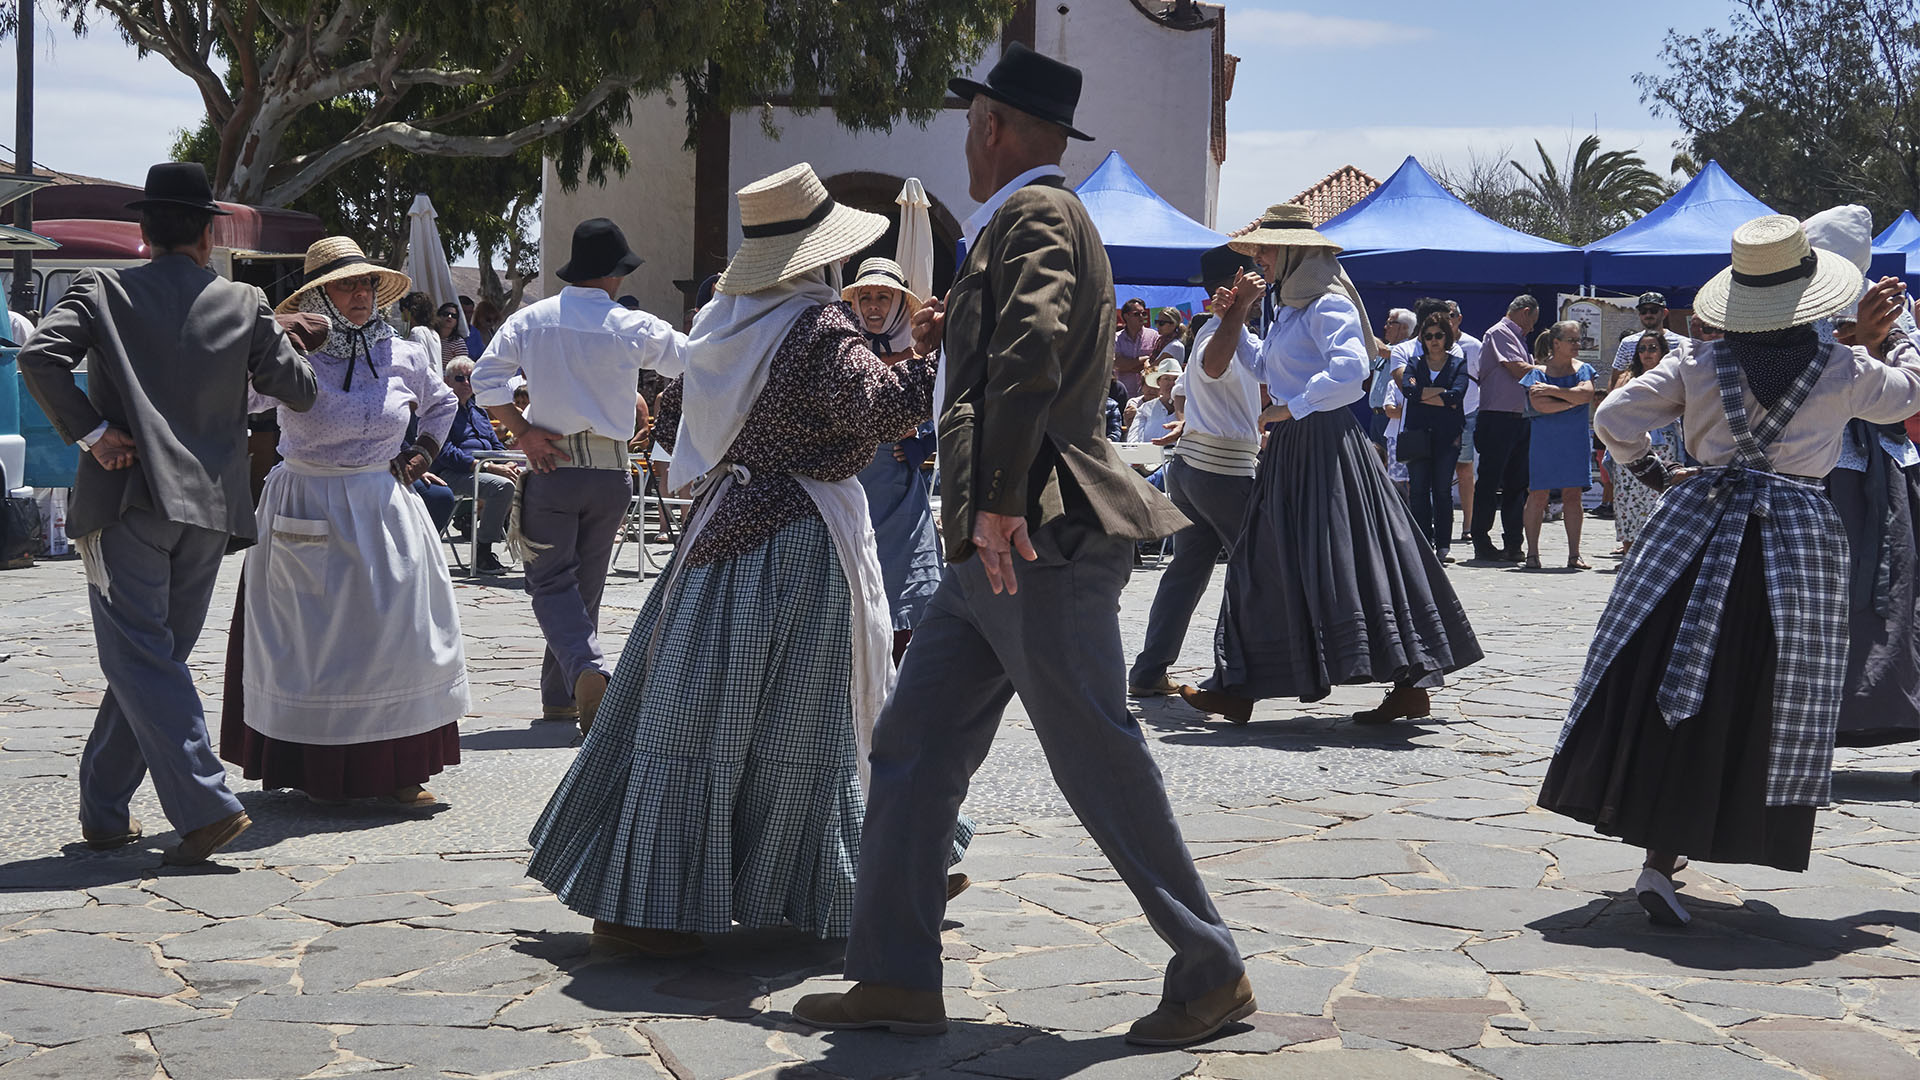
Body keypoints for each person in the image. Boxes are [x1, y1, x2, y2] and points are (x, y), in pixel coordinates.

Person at [793, 44, 1252, 1047]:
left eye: (970, 122)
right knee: (912, 748)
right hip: (992, 545)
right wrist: (948, 334)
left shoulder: (1039, 215)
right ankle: (895, 975)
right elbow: (1005, 347)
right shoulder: (1024, 222)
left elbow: (1034, 345)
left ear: (995, 126)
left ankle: (1210, 967)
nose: (965, 138)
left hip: (1028, 535)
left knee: (1098, 754)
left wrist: (998, 497)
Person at [526, 163, 956, 957]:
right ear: (819, 255)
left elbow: (689, 411)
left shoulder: (722, 320)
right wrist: (938, 353)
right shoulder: (821, 326)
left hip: (719, 530)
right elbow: (882, 408)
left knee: (690, 711)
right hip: (798, 536)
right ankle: (831, 873)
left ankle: (647, 895)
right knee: (809, 717)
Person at [1538, 215, 1920, 927]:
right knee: (1760, 690)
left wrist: (1654, 472)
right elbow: (1911, 394)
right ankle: (1720, 828)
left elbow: (1615, 417)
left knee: (1675, 676)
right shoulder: (1844, 368)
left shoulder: (1697, 362)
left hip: (1696, 531)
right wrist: (1896, 334)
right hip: (1792, 544)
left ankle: (1658, 856)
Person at [18, 162, 317, 864]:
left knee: (143, 660)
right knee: (154, 660)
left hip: (127, 498)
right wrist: (286, 329)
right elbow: (296, 391)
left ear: (143, 230)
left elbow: (39, 356)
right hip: (210, 508)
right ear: (210, 232)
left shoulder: (102, 287)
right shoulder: (245, 303)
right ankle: (103, 810)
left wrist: (92, 432)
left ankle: (204, 805)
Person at [1174, 205, 1481, 730]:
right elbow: (1264, 367)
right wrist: (1235, 319)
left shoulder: (1325, 305)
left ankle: (1407, 679)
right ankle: (1238, 685)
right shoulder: (1289, 309)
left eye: (1267, 250)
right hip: (1296, 446)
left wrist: (1290, 409)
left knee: (1351, 556)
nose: (1261, 260)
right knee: (1268, 558)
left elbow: (1352, 371)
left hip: (1325, 445)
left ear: (1294, 251)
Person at [221, 237, 467, 807]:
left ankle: (400, 769)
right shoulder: (292, 357)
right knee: (312, 640)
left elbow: (442, 403)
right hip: (306, 500)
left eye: (366, 284)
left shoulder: (403, 353)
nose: (359, 294)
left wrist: (423, 453)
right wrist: (267, 342)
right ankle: (312, 767)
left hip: (383, 503)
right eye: (345, 285)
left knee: (397, 634)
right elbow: (238, 400)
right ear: (320, 296)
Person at [472, 219, 686, 731]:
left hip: (553, 463)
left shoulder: (533, 319)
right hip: (611, 471)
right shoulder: (633, 325)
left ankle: (582, 673)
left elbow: (484, 381)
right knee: (584, 586)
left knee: (550, 582)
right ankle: (562, 694)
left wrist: (522, 432)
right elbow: (689, 362)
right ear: (615, 274)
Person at [1804, 203, 1920, 749]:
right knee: (1823, 596)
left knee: (1896, 590)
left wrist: (1877, 339)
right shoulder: (1796, 307)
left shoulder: (1893, 309)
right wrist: (1865, 340)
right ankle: (1806, 721)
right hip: (1821, 469)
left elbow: (1903, 395)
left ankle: (1888, 708)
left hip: (1883, 470)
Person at [1127, 244, 1263, 698]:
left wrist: (1190, 416)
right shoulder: (1219, 332)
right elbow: (1214, 366)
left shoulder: (1222, 329)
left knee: (1187, 569)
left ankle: (1149, 670)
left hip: (1193, 465)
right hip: (1220, 469)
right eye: (1255, 273)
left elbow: (1188, 388)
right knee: (1254, 571)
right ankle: (1234, 676)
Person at [842, 256, 943, 662]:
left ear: (900, 301)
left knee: (906, 586)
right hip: (851, 484)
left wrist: (927, 440)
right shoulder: (842, 350)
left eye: (883, 296)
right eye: (865, 296)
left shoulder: (921, 354)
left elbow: (953, 400)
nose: (873, 306)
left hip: (900, 490)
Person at [1519, 321, 1598, 570]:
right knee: (1538, 495)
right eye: (1573, 340)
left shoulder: (1584, 369)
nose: (1578, 345)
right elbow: (1540, 405)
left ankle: (1575, 554)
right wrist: (1572, 400)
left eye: (1579, 340)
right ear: (1556, 343)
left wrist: (1554, 391)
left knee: (1573, 496)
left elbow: (1587, 395)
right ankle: (1532, 553)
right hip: (1544, 442)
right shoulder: (1537, 373)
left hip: (1574, 442)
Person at [434, 357, 521, 574]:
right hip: (450, 474)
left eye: (471, 378)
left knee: (533, 479)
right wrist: (487, 467)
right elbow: (444, 452)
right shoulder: (440, 410)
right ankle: (483, 550)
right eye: (460, 378)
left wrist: (507, 461)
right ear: (446, 381)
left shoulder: (479, 411)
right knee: (502, 487)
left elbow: (494, 445)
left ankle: (533, 545)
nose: (466, 383)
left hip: (483, 468)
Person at [1398, 311, 1471, 563]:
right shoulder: (1414, 362)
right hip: (1418, 434)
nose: (1434, 340)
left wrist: (1423, 394)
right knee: (1418, 490)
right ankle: (1422, 542)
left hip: (1447, 435)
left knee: (1441, 490)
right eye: (1428, 336)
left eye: (1439, 335)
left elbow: (1457, 395)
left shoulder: (1458, 363)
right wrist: (1440, 393)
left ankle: (1443, 544)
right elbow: (1408, 391)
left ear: (1447, 336)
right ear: (1423, 339)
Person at [1472, 295, 1540, 561]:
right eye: (1532, 321)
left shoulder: (1518, 337)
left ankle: (1514, 542)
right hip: (1497, 417)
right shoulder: (1499, 332)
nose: (1533, 328)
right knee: (1490, 483)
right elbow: (1518, 369)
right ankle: (1481, 539)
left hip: (1519, 417)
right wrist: (1554, 375)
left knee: (1516, 484)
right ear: (1525, 312)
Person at [1611, 331, 1680, 554]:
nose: (1647, 353)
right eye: (1642, 349)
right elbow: (1613, 408)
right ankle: (1629, 551)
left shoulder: (1672, 376)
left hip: (1664, 442)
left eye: (1652, 348)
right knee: (1628, 497)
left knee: (1658, 495)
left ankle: (1656, 552)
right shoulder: (1627, 377)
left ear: (1662, 352)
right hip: (1632, 441)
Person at [1447, 300, 1482, 542]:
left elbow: (1483, 377)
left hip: (1467, 410)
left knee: (1465, 468)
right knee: (1439, 469)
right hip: (1439, 411)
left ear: (1459, 318)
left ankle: (1468, 525)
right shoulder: (1429, 341)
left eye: (1451, 315)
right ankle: (1441, 524)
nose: (1447, 320)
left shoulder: (1473, 345)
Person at [1607, 291, 1690, 390]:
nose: (1648, 314)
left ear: (1664, 313)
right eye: (1643, 311)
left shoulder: (1682, 343)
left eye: (1653, 310)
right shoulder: (1628, 342)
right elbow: (1616, 377)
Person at [1366, 308, 1416, 458]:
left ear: (1404, 327)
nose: (1385, 327)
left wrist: (1362, 326)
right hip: (1377, 416)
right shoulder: (1387, 347)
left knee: (1393, 466)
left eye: (1390, 323)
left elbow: (1384, 351)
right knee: (1377, 463)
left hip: (1391, 417)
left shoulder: (1407, 349)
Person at [1114, 297, 1161, 397]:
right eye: (1136, 314)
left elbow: (1156, 366)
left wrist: (1127, 366)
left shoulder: (1154, 336)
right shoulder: (1116, 338)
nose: (1141, 317)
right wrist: (1144, 359)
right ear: (1126, 316)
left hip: (1148, 396)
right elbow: (1117, 364)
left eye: (1143, 313)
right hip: (1124, 395)